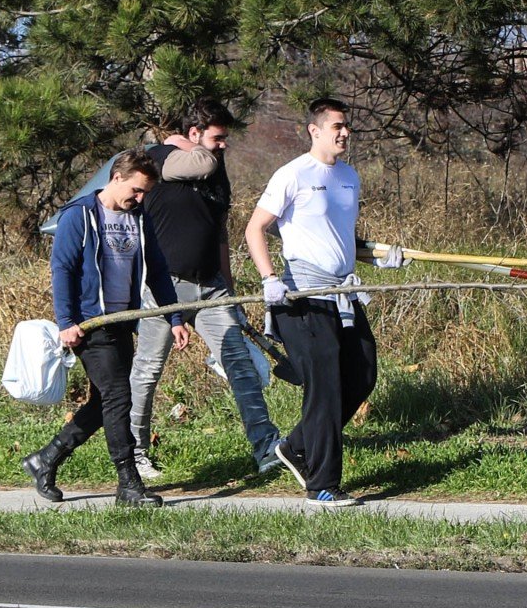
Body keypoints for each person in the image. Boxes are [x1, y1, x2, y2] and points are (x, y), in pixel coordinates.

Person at [243, 98, 404, 507]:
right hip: (302, 296)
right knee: (325, 386)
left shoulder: (349, 176)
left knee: (363, 373)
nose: (344, 133)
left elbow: (340, 238)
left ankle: (296, 446)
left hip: (341, 292)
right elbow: (255, 228)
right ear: (314, 131)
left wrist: (378, 255)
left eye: (347, 126)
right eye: (336, 127)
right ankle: (322, 485)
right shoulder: (293, 174)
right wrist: (269, 279)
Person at [22, 149, 189, 507]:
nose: (140, 199)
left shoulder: (138, 218)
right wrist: (67, 322)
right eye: (136, 190)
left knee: (104, 403)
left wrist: (174, 317)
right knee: (118, 396)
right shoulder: (79, 215)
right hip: (90, 325)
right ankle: (128, 484)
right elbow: (62, 270)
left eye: (145, 193)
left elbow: (158, 271)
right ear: (116, 178)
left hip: (121, 323)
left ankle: (45, 460)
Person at [128, 97, 282, 478]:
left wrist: (230, 290)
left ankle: (266, 447)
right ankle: (133, 454)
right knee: (147, 371)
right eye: (217, 138)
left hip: (211, 288)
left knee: (240, 365)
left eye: (225, 138)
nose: (223, 146)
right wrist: (180, 141)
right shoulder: (161, 158)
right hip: (166, 287)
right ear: (193, 133)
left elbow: (221, 236)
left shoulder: (216, 172)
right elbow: (200, 161)